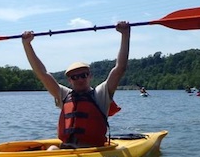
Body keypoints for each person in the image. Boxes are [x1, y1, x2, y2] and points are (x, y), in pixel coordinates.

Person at [22, 21, 131, 149]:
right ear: (70, 80)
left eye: (83, 75)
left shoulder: (101, 95)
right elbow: (42, 73)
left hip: (92, 152)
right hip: (66, 151)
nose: (80, 79)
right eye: (74, 77)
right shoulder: (64, 95)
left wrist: (125, 34)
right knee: (52, 148)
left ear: (90, 76)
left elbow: (120, 69)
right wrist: (27, 44)